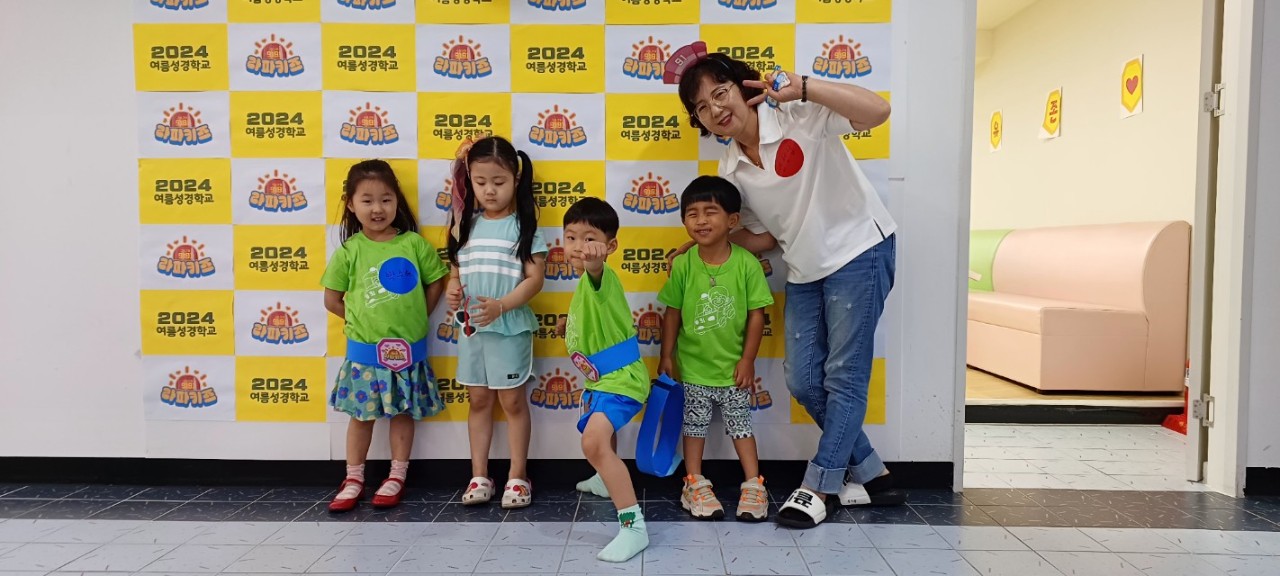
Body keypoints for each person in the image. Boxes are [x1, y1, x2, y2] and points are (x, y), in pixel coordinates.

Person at [668, 43, 904, 529]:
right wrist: (702, 243)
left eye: (721, 93)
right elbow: (764, 238)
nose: (716, 110)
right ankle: (871, 472)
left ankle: (819, 486)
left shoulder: (798, 115)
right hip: (804, 267)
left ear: (744, 88)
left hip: (859, 249)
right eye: (702, 107)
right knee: (802, 380)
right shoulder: (731, 171)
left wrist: (807, 87)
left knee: (844, 376)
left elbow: (878, 112)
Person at [323, 159, 450, 513]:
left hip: (408, 352)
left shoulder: (414, 244)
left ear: (397, 201)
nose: (377, 208)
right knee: (360, 416)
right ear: (351, 204)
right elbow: (331, 299)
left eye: (386, 199)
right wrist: (362, 322)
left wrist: (419, 316)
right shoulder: (350, 251)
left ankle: (397, 474)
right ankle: (353, 478)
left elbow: (436, 282)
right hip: (364, 354)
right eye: (367, 200)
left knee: (403, 412)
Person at [657, 176, 773, 522]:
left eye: (711, 212)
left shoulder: (747, 264)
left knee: (742, 427)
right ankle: (693, 482)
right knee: (693, 428)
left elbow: (757, 315)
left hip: (733, 370)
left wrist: (747, 360)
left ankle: (754, 484)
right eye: (692, 213)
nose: (701, 220)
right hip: (692, 368)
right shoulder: (683, 264)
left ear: (733, 220)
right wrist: (666, 355)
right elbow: (672, 314)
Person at [445, 136, 547, 509]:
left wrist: (502, 306)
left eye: (499, 182)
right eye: (480, 181)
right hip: (472, 330)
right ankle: (479, 475)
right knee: (478, 400)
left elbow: (535, 280)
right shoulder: (463, 226)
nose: (489, 190)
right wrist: (453, 289)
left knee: (513, 401)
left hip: (510, 328)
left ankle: (518, 476)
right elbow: (455, 272)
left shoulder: (524, 228)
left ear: (516, 180)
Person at [559, 197, 650, 562]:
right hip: (602, 380)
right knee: (600, 437)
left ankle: (633, 527)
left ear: (610, 247)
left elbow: (596, 272)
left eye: (590, 239)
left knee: (594, 441)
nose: (579, 247)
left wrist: (595, 262)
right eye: (571, 237)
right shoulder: (584, 283)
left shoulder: (600, 275)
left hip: (621, 379)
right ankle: (603, 479)